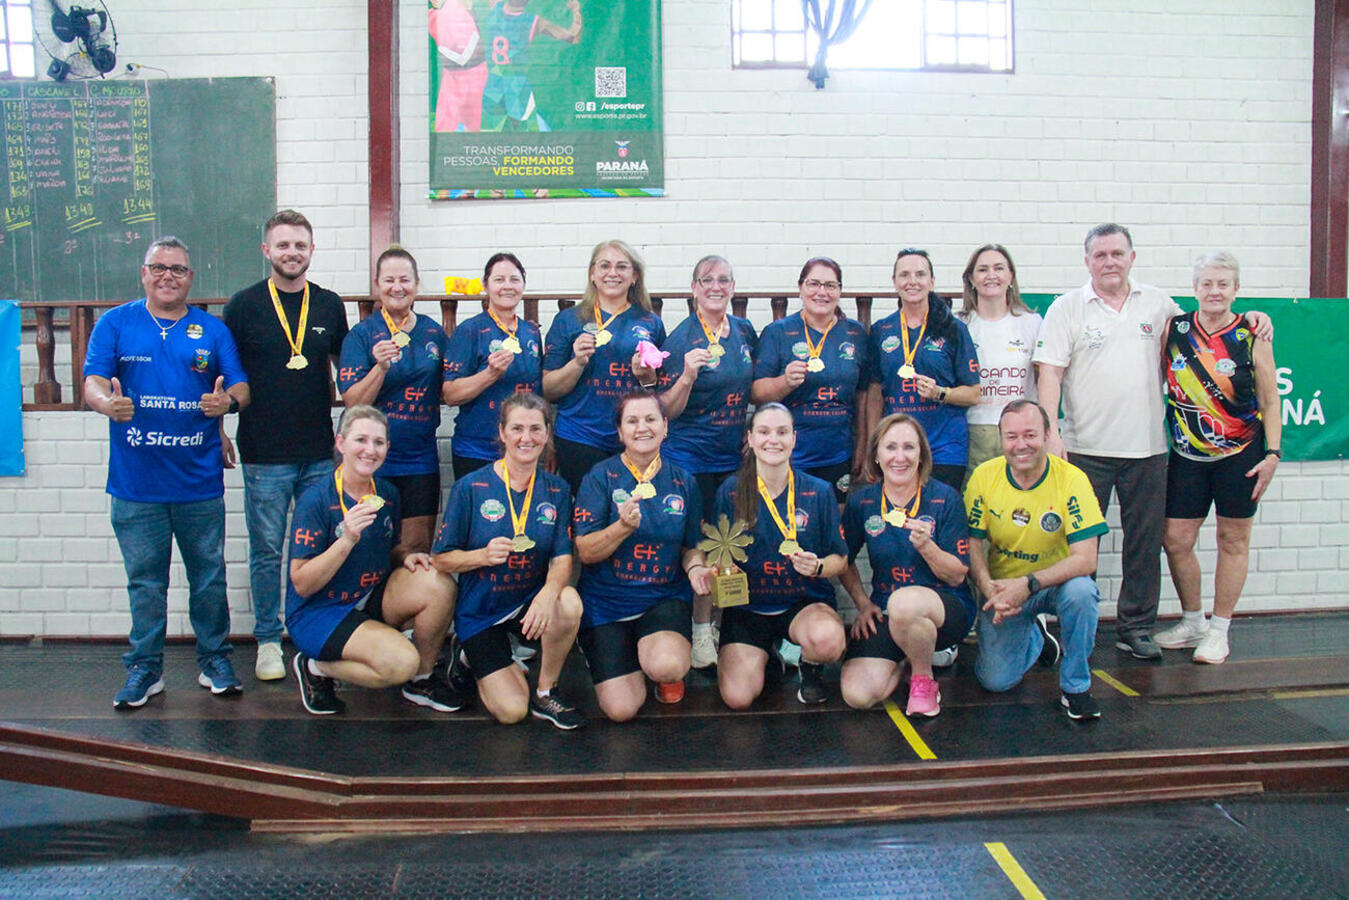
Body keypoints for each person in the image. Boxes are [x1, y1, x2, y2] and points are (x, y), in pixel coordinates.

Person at [1034, 224, 1272, 661]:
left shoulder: (1160, 305)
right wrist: (1052, 434)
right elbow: (1049, 373)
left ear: (1132, 257)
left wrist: (1256, 318)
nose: (1109, 261)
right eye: (1100, 254)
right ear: (1087, 260)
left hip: (1148, 450)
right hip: (1085, 448)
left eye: (1117, 253)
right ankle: (1068, 627)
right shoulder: (1066, 307)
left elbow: (1209, 326)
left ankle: (1136, 627)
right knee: (1074, 543)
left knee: (1144, 545)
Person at [83, 236, 251, 709]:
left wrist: (227, 404)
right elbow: (92, 379)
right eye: (158, 267)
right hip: (136, 486)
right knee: (146, 582)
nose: (167, 276)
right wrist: (104, 404)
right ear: (144, 273)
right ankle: (144, 668)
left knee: (208, 578)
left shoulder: (211, 330)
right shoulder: (116, 323)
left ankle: (214, 660)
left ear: (190, 279)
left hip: (198, 483)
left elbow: (240, 385)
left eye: (177, 269)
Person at [222, 209, 350, 682]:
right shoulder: (244, 305)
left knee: (323, 548)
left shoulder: (330, 305)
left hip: (319, 451)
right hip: (263, 452)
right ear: (267, 251)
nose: (291, 253)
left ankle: (315, 633)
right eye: (283, 245)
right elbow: (223, 375)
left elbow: (348, 373)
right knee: (267, 551)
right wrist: (218, 429)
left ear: (311, 251)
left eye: (300, 245)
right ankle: (268, 640)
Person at [287, 406, 461, 716]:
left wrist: (407, 556)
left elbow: (389, 549)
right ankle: (316, 667)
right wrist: (346, 539)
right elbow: (302, 583)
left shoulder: (387, 494)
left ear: (387, 449)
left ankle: (420, 680)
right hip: (321, 611)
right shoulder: (316, 499)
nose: (370, 450)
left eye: (379, 443)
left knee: (438, 581)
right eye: (361, 440)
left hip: (368, 598)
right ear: (341, 444)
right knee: (400, 663)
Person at [431, 392, 586, 729]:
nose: (526, 438)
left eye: (535, 429)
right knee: (512, 711)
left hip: (529, 607)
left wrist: (547, 594)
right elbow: (441, 559)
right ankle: (470, 655)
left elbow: (562, 558)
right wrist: (481, 556)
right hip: (482, 612)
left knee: (568, 602)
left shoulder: (557, 490)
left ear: (547, 434)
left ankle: (546, 691)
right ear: (501, 432)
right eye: (516, 428)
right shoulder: (471, 487)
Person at [1155, 252, 1281, 664]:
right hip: (1188, 455)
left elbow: (1270, 399)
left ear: (1235, 289)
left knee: (1232, 540)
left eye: (1222, 284)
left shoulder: (1251, 333)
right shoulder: (1174, 328)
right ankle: (1194, 621)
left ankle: (1220, 629)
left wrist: (1274, 453)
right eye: (1206, 284)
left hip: (1240, 455)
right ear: (1194, 289)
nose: (1214, 291)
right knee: (1175, 540)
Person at [965, 400, 1108, 720]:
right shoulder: (984, 477)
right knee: (996, 682)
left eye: (1030, 435)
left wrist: (1029, 585)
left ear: (1047, 434)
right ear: (1001, 439)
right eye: (1011, 437)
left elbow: (1086, 560)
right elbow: (972, 544)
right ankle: (1037, 638)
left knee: (1082, 592)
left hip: (1053, 585)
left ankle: (1076, 688)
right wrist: (988, 589)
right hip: (1004, 592)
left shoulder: (1072, 479)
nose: (1021, 445)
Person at [573, 393, 711, 720]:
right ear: (620, 432)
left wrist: (695, 569)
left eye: (651, 419)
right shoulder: (599, 478)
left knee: (667, 665)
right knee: (621, 710)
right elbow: (586, 552)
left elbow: (691, 546)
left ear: (665, 427)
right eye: (632, 421)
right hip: (607, 602)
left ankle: (659, 663)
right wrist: (621, 527)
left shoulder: (683, 481)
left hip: (661, 597)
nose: (642, 428)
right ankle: (618, 653)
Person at [657, 254, 758, 669]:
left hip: (731, 460)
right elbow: (665, 409)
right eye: (706, 280)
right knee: (699, 545)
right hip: (689, 459)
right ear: (693, 288)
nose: (716, 287)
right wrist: (686, 376)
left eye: (723, 280)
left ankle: (720, 624)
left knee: (730, 544)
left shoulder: (745, 331)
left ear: (733, 287)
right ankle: (699, 630)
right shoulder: (680, 338)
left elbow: (752, 391)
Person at [713, 404, 848, 708]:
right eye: (763, 431)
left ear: (794, 439)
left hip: (801, 603)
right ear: (750, 438)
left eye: (782, 432)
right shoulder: (731, 491)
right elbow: (716, 554)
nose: (773, 440)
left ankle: (810, 669)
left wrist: (818, 566)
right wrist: (719, 569)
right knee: (738, 698)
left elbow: (840, 560)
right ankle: (770, 659)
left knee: (828, 640)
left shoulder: (819, 491)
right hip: (748, 609)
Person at [839, 414, 972, 717]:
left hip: (945, 609)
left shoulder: (945, 498)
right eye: (891, 448)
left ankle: (923, 679)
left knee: (906, 602)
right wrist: (861, 602)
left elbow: (956, 575)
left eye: (909, 448)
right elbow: (842, 558)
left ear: (922, 454)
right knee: (857, 695)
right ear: (876, 454)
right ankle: (907, 654)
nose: (900, 457)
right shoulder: (864, 502)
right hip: (887, 609)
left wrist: (928, 547)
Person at [339, 246, 451, 554]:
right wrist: (380, 367)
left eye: (405, 279)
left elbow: (452, 388)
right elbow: (353, 403)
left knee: (415, 550)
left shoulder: (433, 332)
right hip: (371, 459)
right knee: (370, 546)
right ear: (378, 285)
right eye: (389, 280)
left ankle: (404, 604)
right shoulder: (362, 335)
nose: (397, 287)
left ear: (417, 284)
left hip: (419, 459)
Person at [542, 239, 666, 492]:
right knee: (587, 519)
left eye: (622, 267)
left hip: (634, 438)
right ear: (592, 274)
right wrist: (576, 363)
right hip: (579, 436)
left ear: (634, 276)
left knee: (632, 515)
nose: (613, 273)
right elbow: (548, 390)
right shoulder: (568, 320)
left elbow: (657, 389)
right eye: (605, 266)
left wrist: (646, 377)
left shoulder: (650, 322)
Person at [751, 257, 870, 503]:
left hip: (838, 451)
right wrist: (784, 382)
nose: (821, 292)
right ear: (800, 287)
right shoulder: (779, 332)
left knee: (835, 521)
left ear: (839, 291)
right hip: (790, 452)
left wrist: (863, 445)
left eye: (830, 285)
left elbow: (864, 396)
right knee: (790, 519)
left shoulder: (855, 333)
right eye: (814, 283)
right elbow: (756, 393)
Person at [864, 249, 980, 491]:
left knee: (939, 516)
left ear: (932, 281)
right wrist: (873, 444)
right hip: (898, 448)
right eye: (904, 275)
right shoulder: (881, 330)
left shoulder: (953, 328)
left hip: (945, 447)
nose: (912, 281)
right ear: (894, 282)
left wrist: (941, 393)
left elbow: (973, 393)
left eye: (920, 274)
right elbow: (875, 395)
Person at [444, 251, 544, 478]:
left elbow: (539, 394)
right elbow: (450, 395)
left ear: (523, 285)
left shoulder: (531, 332)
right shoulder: (469, 331)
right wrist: (489, 374)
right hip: (477, 450)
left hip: (522, 448)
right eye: (499, 280)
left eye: (514, 279)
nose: (507, 286)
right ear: (486, 286)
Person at [956, 243, 1041, 473]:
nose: (991, 275)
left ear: (1010, 276)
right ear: (971, 279)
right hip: (975, 431)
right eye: (983, 269)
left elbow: (1044, 380)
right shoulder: (959, 325)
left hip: (1021, 431)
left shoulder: (1032, 323)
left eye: (999, 268)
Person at [480, 0, 583, 132]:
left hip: (493, 85)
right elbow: (574, 37)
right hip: (516, 87)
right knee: (528, 137)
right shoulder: (532, 21)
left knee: (491, 137)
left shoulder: (496, 7)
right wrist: (576, 10)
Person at [430, 0, 488, 133]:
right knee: (450, 123)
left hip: (473, 70)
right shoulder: (435, 16)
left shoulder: (453, 9)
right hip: (456, 74)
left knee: (471, 123)